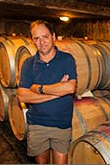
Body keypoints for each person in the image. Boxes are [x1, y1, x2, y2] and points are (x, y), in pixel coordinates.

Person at [17, 20, 77, 164]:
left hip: (61, 124)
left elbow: (70, 88)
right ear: (32, 41)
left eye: (45, 36)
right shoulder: (28, 64)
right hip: (37, 124)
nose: (41, 42)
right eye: (36, 38)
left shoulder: (67, 59)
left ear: (53, 36)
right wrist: (57, 91)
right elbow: (22, 96)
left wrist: (38, 88)